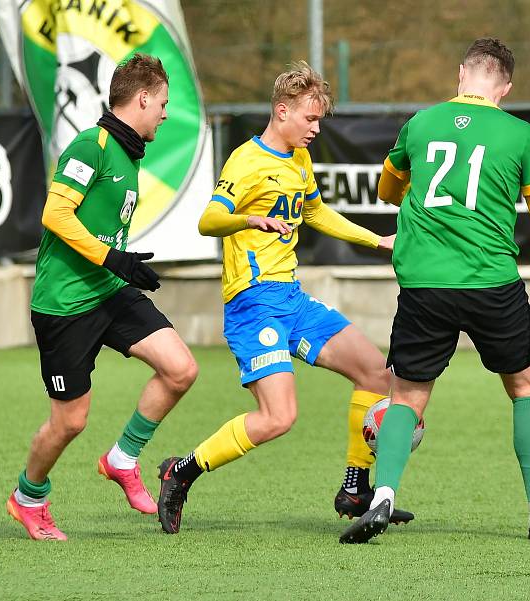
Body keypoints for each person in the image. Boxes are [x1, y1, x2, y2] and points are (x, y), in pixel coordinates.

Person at [340, 38, 530, 543]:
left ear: (461, 74)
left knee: (406, 394)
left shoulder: (420, 123)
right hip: (489, 280)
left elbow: (388, 192)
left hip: (423, 281)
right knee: (526, 385)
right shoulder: (522, 135)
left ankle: (383, 496)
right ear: (505, 87)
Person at [155, 61, 412, 534]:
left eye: (319, 120)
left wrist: (378, 241)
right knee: (278, 418)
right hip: (253, 304)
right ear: (282, 110)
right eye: (310, 119)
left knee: (375, 371)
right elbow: (208, 221)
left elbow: (315, 212)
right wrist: (248, 220)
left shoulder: (298, 158)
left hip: (292, 299)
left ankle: (355, 487)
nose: (316, 128)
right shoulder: (246, 162)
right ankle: (182, 471)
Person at [6, 54, 198, 540]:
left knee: (181, 369)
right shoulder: (90, 145)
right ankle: (28, 497)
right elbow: (55, 214)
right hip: (65, 304)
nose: (165, 114)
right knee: (70, 422)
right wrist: (113, 259)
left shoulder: (130, 153)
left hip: (108, 291)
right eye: (163, 104)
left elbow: (97, 229)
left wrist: (121, 262)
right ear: (143, 98)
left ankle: (123, 459)